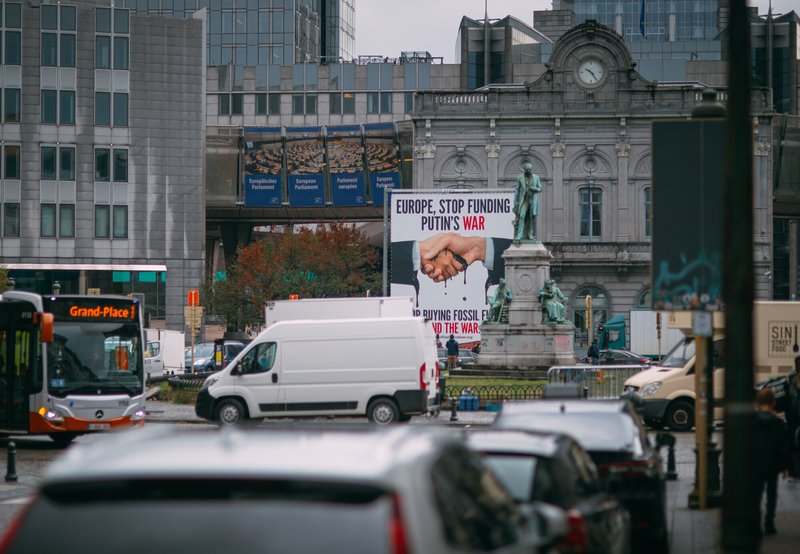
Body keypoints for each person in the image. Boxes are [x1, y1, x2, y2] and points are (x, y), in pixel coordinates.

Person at [755, 387, 790, 536]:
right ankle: (769, 524)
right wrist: (785, 467)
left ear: (757, 403)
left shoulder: (751, 420)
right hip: (772, 464)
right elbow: (783, 447)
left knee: (756, 494)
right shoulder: (778, 423)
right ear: (773, 403)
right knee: (771, 494)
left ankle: (755, 525)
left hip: (755, 464)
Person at [512, 162, 542, 242]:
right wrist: (515, 200)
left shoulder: (536, 177)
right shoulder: (520, 178)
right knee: (522, 216)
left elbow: (540, 188)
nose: (529, 171)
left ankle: (530, 234)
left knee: (531, 218)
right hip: (524, 200)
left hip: (533, 200)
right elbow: (517, 189)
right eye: (527, 169)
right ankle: (519, 235)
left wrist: (534, 188)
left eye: (530, 169)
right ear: (524, 170)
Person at [787, 356, 800, 480]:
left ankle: (793, 469)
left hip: (793, 411)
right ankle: (794, 469)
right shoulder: (792, 377)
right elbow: (791, 393)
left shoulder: (792, 377)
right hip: (794, 412)